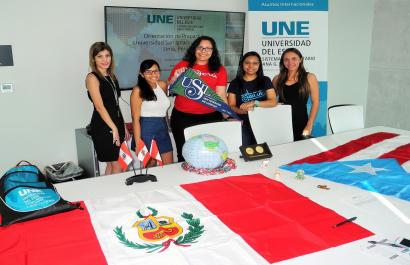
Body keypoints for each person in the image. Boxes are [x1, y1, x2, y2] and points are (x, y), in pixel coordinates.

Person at [168, 36, 228, 162]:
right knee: (184, 153)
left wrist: (227, 113)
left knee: (210, 152)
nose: (203, 51)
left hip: (211, 117)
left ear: (213, 51)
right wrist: (175, 77)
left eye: (208, 48)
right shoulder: (183, 65)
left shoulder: (219, 69)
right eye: (200, 47)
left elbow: (221, 94)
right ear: (194, 49)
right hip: (182, 117)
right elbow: (171, 89)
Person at [86, 42, 130, 175]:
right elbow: (99, 107)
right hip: (104, 126)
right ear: (93, 59)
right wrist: (114, 128)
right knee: (119, 164)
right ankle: (117, 194)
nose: (105, 60)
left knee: (113, 164)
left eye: (107, 55)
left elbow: (115, 104)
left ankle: (107, 193)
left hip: (116, 123)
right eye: (100, 56)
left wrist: (123, 125)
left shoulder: (112, 76)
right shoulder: (92, 77)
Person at [227, 51, 277, 146]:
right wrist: (243, 111)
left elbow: (273, 101)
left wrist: (255, 103)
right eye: (247, 63)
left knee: (266, 150)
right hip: (243, 124)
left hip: (264, 123)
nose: (251, 66)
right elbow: (231, 106)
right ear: (242, 64)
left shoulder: (265, 80)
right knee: (248, 151)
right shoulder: (235, 83)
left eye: (255, 63)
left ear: (259, 65)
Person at [130, 59, 173, 167]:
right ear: (142, 74)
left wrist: (168, 125)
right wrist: (139, 143)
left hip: (162, 129)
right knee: (150, 167)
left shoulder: (163, 85)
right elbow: (135, 119)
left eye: (156, 71)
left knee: (169, 166)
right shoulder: (138, 90)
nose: (153, 74)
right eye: (148, 72)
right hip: (146, 130)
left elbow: (163, 107)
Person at [272, 48, 319, 141]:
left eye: (294, 58)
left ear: (300, 60)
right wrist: (275, 104)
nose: (290, 62)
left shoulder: (309, 77)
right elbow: (270, 101)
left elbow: (315, 102)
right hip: (280, 124)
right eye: (286, 59)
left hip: (301, 123)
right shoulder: (277, 79)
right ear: (283, 62)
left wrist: (309, 125)